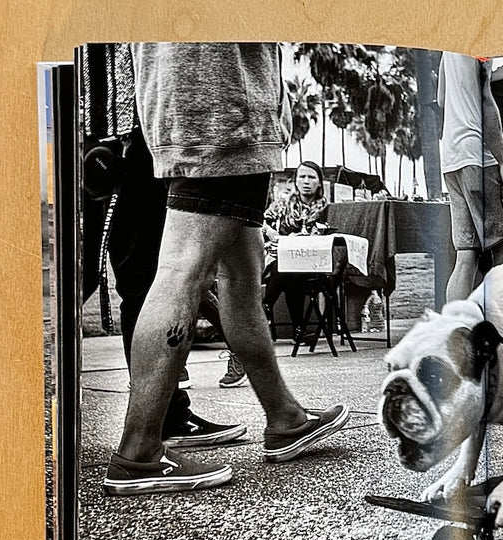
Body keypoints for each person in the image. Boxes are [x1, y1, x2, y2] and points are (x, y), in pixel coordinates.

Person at [102, 42, 349, 496]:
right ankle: (139, 451)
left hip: (189, 98)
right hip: (224, 103)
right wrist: (272, 95)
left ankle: (285, 417)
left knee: (241, 271)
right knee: (183, 270)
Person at [80, 45, 246, 454]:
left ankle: (168, 413)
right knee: (139, 275)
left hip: (117, 125)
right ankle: (161, 422)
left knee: (137, 274)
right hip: (120, 131)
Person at [438, 53, 503, 302]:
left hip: (453, 157)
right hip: (480, 157)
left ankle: (453, 329)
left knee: (466, 255)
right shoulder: (479, 45)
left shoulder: (448, 49)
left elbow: (442, 99)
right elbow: (485, 101)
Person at [262, 160, 330, 341]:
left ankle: (266, 305)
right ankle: (298, 329)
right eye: (302, 177)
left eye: (311, 177)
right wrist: (270, 231)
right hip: (280, 258)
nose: (306, 181)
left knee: (291, 266)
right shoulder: (283, 204)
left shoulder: (326, 207)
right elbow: (262, 222)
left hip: (313, 260)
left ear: (319, 182)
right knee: (290, 269)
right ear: (295, 181)